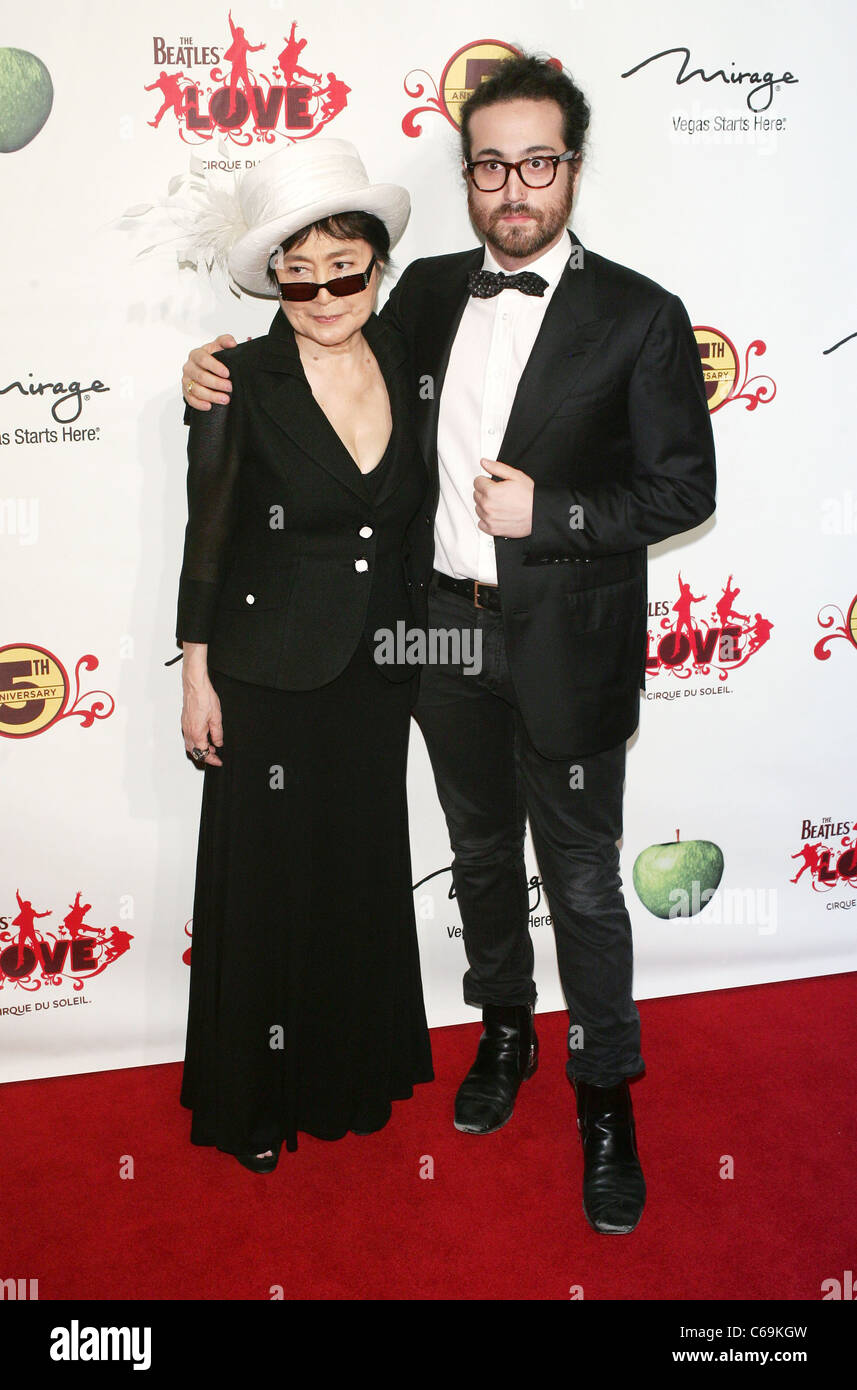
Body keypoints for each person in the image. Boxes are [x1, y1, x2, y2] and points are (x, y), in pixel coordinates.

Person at [181, 54, 716, 1230]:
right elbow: (310, 338)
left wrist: (559, 514)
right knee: (479, 857)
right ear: (466, 175)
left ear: (570, 168)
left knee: (578, 880)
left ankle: (604, 1096)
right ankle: (505, 1034)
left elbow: (682, 492)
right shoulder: (419, 291)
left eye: (536, 161)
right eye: (489, 163)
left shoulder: (638, 314)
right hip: (436, 639)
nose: (512, 185)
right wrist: (205, 370)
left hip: (565, 647)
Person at [172, 139, 434, 1172]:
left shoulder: (413, 359)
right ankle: (255, 1103)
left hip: (377, 674)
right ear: (273, 276)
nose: (325, 295)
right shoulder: (234, 377)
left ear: (376, 267)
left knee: (359, 876)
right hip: (265, 674)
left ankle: (347, 1076)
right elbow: (208, 529)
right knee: (268, 887)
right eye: (300, 275)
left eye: (346, 271)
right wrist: (194, 666)